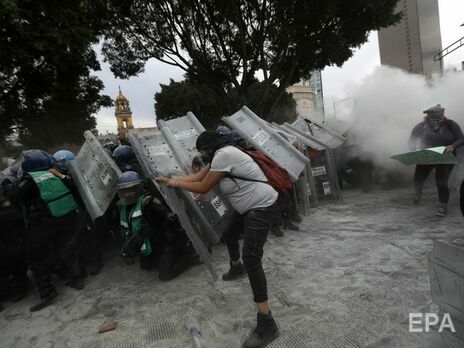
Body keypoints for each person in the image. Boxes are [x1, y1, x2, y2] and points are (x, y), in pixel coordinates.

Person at [155, 131, 280, 348]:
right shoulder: (219, 157)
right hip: (247, 209)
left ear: (211, 147)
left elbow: (203, 187)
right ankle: (236, 267)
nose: (202, 154)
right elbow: (197, 177)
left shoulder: (224, 155)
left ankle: (267, 323)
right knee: (229, 235)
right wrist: (170, 180)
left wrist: (176, 184)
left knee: (252, 258)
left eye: (203, 150)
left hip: (261, 206)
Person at [10, 150, 85, 312]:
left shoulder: (30, 179)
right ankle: (76, 279)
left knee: (35, 258)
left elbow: (16, 197)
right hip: (65, 218)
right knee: (65, 249)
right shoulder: (55, 173)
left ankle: (47, 292)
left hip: (43, 224)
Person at [116, 171, 197, 280]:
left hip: (164, 240)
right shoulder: (124, 206)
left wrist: (168, 216)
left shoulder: (148, 201)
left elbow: (163, 211)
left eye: (129, 190)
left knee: (165, 275)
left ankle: (190, 255)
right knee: (146, 266)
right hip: (150, 240)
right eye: (124, 191)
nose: (127, 194)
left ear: (138, 188)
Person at [409, 104, 464, 217]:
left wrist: (453, 146)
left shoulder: (451, 125)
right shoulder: (421, 126)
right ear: (428, 117)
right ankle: (418, 193)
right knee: (418, 178)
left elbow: (461, 138)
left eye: (438, 117)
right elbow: (412, 140)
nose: (435, 120)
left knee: (441, 182)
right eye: (432, 117)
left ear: (442, 116)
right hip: (427, 155)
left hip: (446, 156)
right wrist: (414, 151)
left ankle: (443, 206)